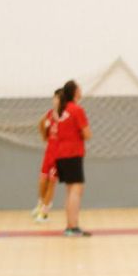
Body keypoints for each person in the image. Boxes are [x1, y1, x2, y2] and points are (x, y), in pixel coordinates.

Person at [52, 80, 91, 237]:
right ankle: (73, 227)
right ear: (75, 92)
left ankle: (70, 225)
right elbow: (87, 134)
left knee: (70, 191)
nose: (81, 90)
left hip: (61, 154)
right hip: (72, 154)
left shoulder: (63, 111)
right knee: (76, 190)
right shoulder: (76, 110)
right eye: (79, 88)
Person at [31, 89, 62, 223]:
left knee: (51, 182)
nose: (54, 100)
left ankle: (45, 212)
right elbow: (40, 124)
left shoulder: (65, 116)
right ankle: (41, 203)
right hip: (49, 153)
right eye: (54, 97)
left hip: (59, 155)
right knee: (42, 180)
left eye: (57, 98)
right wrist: (45, 135)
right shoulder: (49, 114)